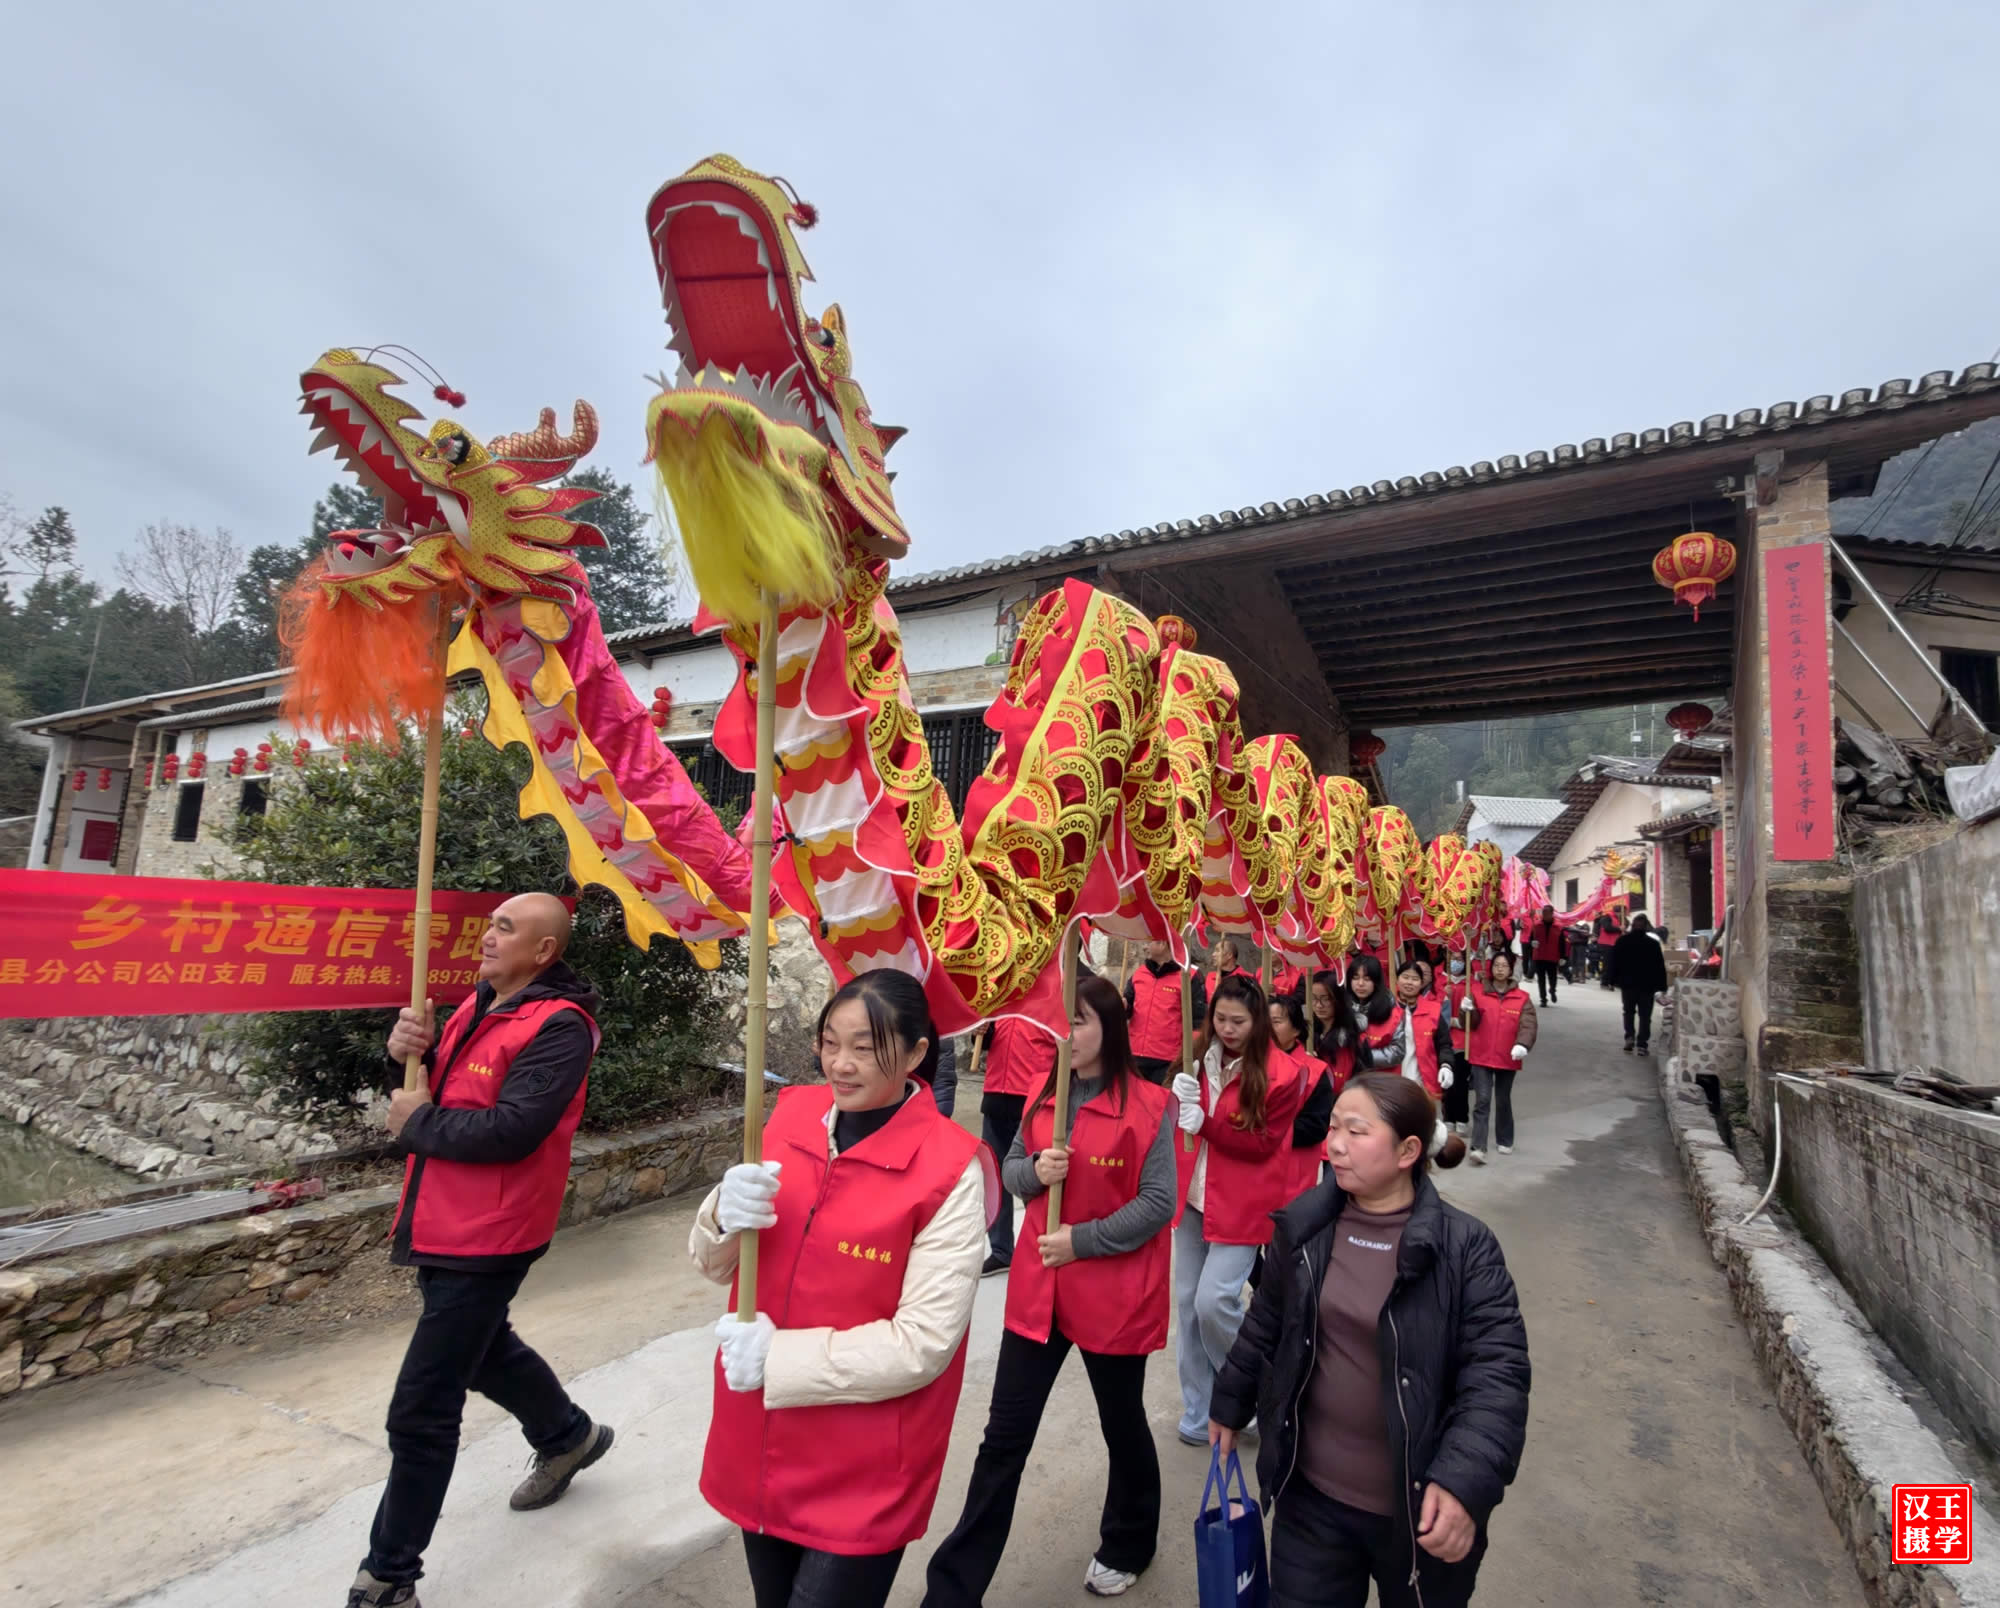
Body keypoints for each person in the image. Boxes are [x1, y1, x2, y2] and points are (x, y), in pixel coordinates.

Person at [693, 969, 990, 1608]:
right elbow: (720, 1267)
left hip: (865, 1462)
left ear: (916, 1054)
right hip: (760, 1436)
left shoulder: (949, 1169)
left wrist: (777, 1357)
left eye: (866, 1046)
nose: (842, 1064)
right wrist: (721, 1214)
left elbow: (924, 1344)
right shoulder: (787, 1116)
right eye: (831, 1042)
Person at [349, 894, 613, 1608]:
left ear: (544, 953)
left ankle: (388, 1576)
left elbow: (512, 1131)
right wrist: (412, 1052)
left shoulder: (562, 1027)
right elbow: (446, 1092)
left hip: (490, 1234)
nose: (488, 937)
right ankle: (569, 1436)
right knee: (484, 1348)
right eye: (491, 923)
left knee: (421, 1408)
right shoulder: (480, 1004)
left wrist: (420, 1121)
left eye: (506, 928)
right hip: (439, 1217)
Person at [1207, 1074, 1530, 1608]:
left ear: (1407, 1151)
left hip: (1416, 1513)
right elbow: (1268, 1321)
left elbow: (1497, 1376)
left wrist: (1464, 1482)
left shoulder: (1466, 1248)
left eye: (1356, 1132)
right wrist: (1229, 1400)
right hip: (1310, 1500)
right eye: (1334, 1127)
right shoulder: (1305, 1226)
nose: (1334, 1144)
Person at [923, 974, 1176, 1604]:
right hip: (1040, 1297)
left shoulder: (1150, 1106)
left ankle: (1129, 1542)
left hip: (1113, 1296)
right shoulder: (1043, 1092)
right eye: (1061, 1020)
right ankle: (954, 1588)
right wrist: (1035, 1172)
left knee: (1122, 1425)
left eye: (1081, 1021)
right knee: (1003, 1438)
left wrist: (1083, 1241)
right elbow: (1008, 1170)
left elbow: (1159, 1202)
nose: (1066, 1032)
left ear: (1110, 1030)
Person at [1169, 974, 1305, 1446]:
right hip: (1190, 1196)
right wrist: (1175, 1101)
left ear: (1259, 1021)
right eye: (1220, 1019)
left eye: (1239, 1021)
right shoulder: (1193, 1053)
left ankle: (1252, 1385)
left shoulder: (1284, 1074)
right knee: (1187, 1305)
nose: (1227, 1029)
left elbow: (1263, 1143)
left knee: (1214, 1301)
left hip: (1244, 1202)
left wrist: (1204, 1123)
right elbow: (1171, 1116)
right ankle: (1201, 1408)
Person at [978, 1015, 1056, 1275]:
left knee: (1033, 1179)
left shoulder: (1052, 993)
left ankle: (1041, 1245)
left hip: (1034, 1098)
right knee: (995, 1177)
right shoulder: (1000, 993)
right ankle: (1001, 1250)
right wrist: (982, 1032)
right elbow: (990, 1041)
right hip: (995, 1095)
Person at [1463, 954, 1537, 1165]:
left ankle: (1505, 1138)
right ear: (1491, 968)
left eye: (1505, 965)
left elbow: (1528, 1024)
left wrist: (1523, 1044)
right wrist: (1467, 1010)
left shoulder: (1522, 998)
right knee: (1482, 1100)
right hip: (1481, 1055)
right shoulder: (1477, 992)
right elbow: (1471, 1022)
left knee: (1503, 1099)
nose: (1500, 969)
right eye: (1497, 965)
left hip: (1508, 1056)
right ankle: (1478, 1147)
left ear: (1511, 970)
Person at [1269, 993, 1336, 1199]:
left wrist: (1267, 1131)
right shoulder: (1247, 1064)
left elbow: (1316, 1127)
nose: (1267, 1029)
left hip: (1291, 1172)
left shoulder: (1315, 1071)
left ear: (1296, 1029)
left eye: (1276, 1022)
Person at [1124, 938, 1189, 1085]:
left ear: (1163, 943)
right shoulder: (1139, 974)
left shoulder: (1187, 977)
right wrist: (1123, 1006)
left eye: (1148, 942)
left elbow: (1196, 1020)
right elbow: (1127, 1009)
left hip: (1167, 1060)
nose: (1145, 947)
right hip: (1136, 1056)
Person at [1605, 913, 1671, 1055]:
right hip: (1647, 985)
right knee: (1645, 1015)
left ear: (1633, 926)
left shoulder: (1623, 941)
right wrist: (1662, 986)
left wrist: (1611, 979)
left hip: (1628, 984)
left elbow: (1614, 962)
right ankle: (1642, 1044)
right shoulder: (1652, 944)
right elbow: (1659, 966)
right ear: (1646, 927)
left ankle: (1629, 1037)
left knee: (1628, 1012)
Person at [1395, 959, 1455, 1101]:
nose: (1409, 982)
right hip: (1392, 1081)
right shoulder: (1386, 1009)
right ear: (1397, 980)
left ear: (1422, 983)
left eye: (1415, 979)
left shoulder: (1433, 1010)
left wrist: (1446, 1065)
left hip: (1422, 1080)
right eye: (1405, 977)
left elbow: (1444, 1044)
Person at [1345, 954, 1407, 1075]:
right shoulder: (1342, 1008)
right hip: (1348, 1080)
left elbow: (1398, 1052)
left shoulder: (1393, 1013)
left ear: (1376, 981)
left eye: (1367, 979)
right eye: (1355, 978)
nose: (1360, 983)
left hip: (1382, 1081)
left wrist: (1365, 1056)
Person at [1438, 953, 1474, 1134]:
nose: (1456, 962)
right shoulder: (1440, 982)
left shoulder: (1471, 984)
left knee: (1461, 1082)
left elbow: (1474, 1018)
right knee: (1446, 1084)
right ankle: (1448, 1117)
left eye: (1460, 959)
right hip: (1444, 1041)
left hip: (1463, 1042)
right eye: (1452, 957)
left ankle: (1462, 1116)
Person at [1525, 904, 1564, 1008]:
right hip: (1539, 956)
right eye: (1543, 912)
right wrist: (1532, 943)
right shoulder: (1536, 925)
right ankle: (1543, 998)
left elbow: (1562, 943)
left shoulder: (1559, 927)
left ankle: (1552, 990)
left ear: (1552, 914)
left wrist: (1563, 957)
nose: (1545, 915)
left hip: (1552, 956)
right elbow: (1530, 940)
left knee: (1553, 978)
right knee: (1541, 979)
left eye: (1547, 913)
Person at [1203, 936, 1256, 1002]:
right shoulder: (1210, 977)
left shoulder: (1246, 979)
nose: (1213, 954)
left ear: (1229, 955)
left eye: (1217, 951)